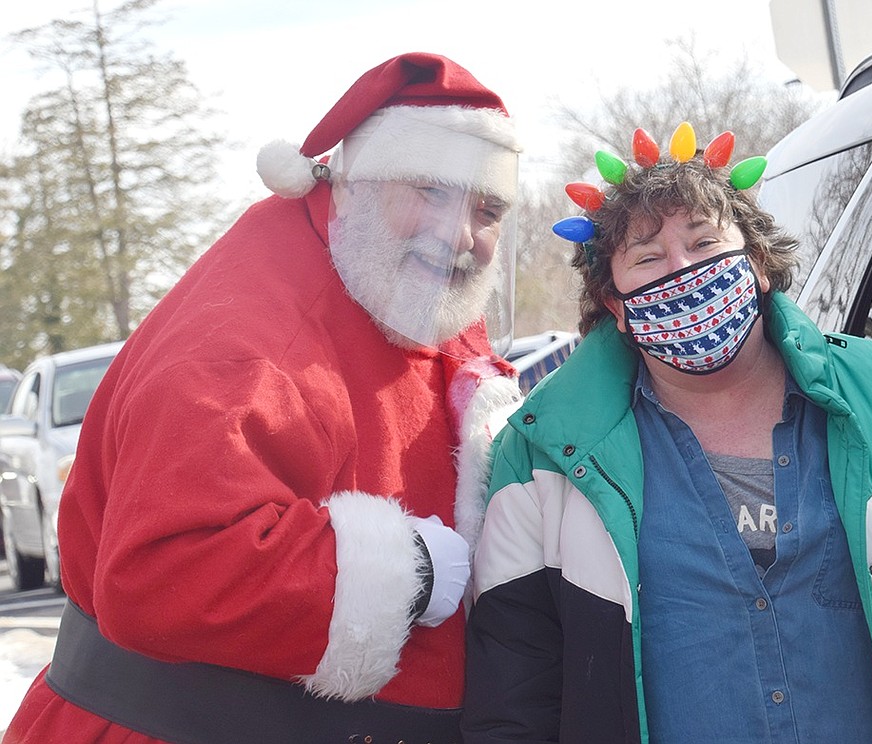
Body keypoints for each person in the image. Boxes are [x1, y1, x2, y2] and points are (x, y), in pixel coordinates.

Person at [461, 122, 872, 743]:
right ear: (618, 308)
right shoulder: (541, 454)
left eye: (705, 244)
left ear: (757, 264)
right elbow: (515, 692)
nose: (682, 270)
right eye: (648, 257)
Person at [4, 52, 523, 744]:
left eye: (485, 210)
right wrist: (414, 573)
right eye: (430, 189)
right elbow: (162, 569)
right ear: (355, 186)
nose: (459, 234)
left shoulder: (407, 297)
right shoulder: (250, 334)